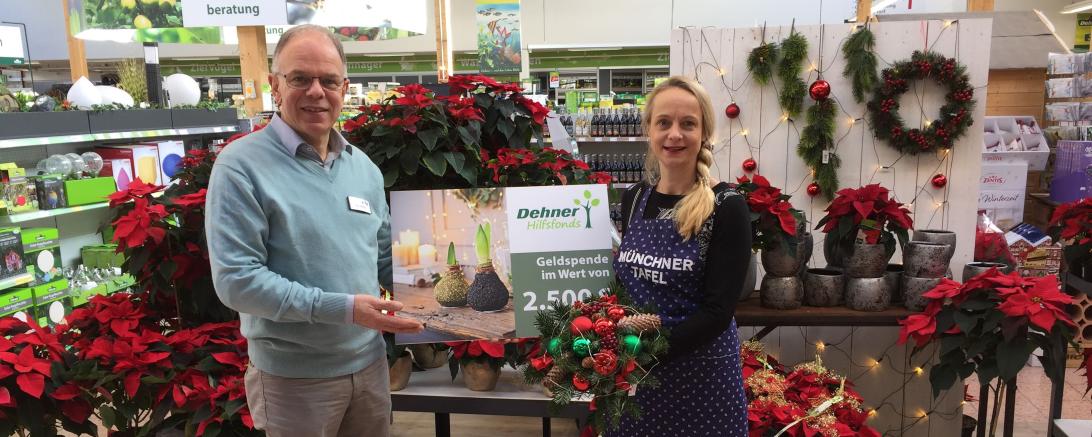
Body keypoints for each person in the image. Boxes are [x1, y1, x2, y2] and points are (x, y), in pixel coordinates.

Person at [205, 24, 423, 437]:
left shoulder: (363, 168)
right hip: (294, 381)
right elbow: (237, 281)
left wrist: (458, 281)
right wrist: (343, 309)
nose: (316, 92)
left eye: (328, 80)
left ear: (345, 87)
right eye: (300, 78)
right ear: (275, 85)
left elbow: (383, 259)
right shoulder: (240, 167)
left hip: (371, 366)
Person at [610, 76, 752, 436]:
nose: (675, 134)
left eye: (688, 124)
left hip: (701, 376)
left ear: (704, 133)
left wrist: (646, 354)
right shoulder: (634, 199)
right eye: (664, 123)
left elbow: (718, 312)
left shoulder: (727, 206)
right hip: (636, 380)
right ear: (649, 129)